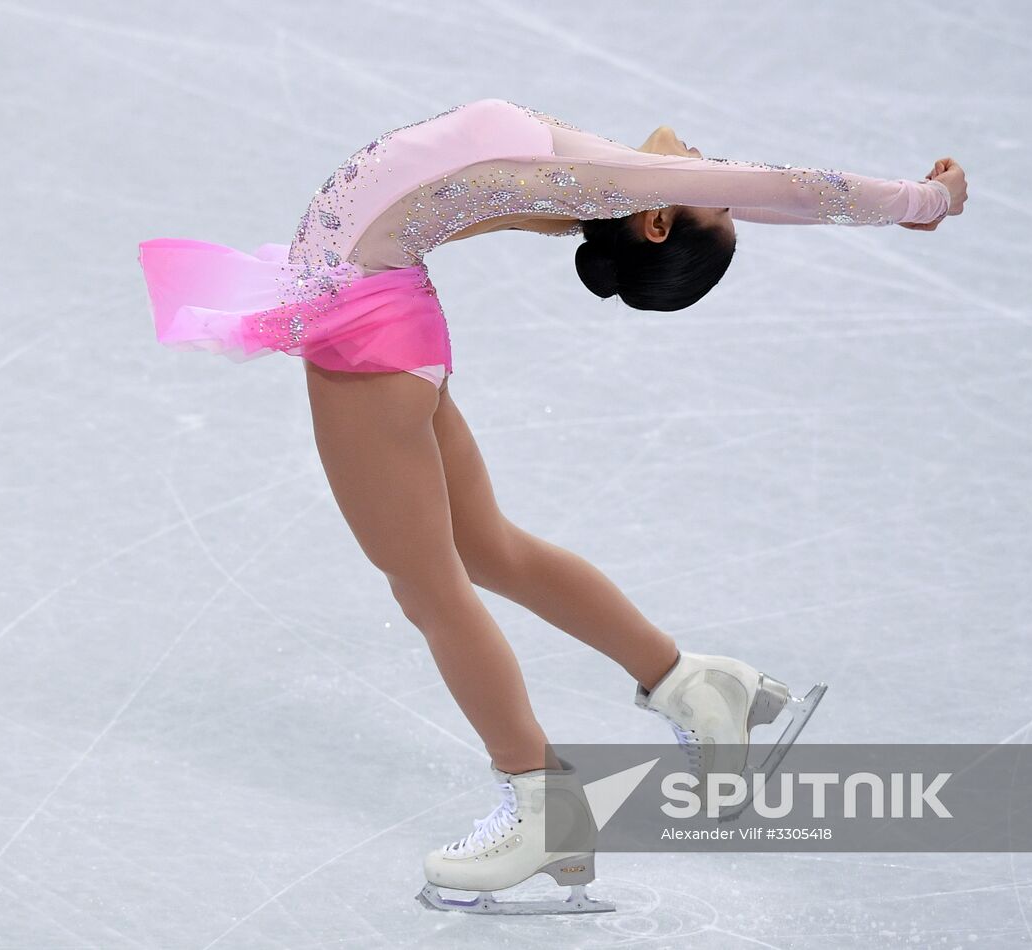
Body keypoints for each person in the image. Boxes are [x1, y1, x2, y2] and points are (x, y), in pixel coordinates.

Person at [137, 98, 968, 914]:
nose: (713, 173)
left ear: (655, 221)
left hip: (368, 337)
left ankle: (541, 805)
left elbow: (789, 189)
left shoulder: (614, 181)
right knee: (486, 549)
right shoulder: (585, 187)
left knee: (426, 587)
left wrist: (921, 202)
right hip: (382, 316)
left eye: (711, 198)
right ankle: (696, 687)